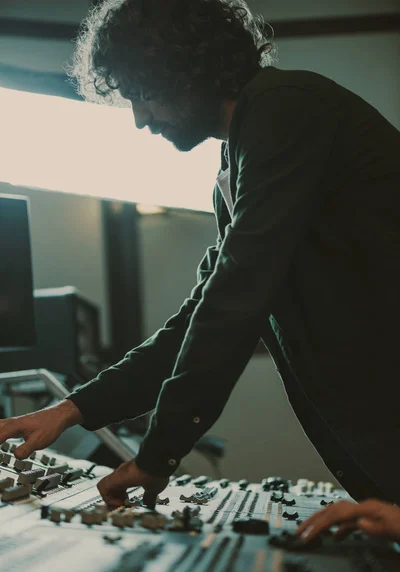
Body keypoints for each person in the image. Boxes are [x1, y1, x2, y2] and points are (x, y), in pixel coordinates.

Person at [0, 0, 399, 539]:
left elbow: (236, 297)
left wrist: (159, 454)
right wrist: (73, 409)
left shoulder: (287, 109)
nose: (139, 118)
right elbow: (199, 317)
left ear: (185, 70)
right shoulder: (235, 168)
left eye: (142, 94)